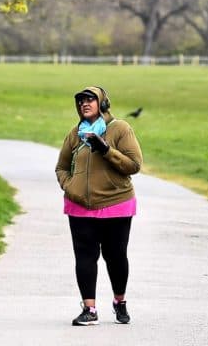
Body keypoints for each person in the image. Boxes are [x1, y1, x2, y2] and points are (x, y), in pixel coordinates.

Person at [55, 86, 143, 326]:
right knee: (85, 256)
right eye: (81, 100)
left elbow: (134, 164)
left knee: (115, 257)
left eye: (90, 99)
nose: (85, 103)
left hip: (116, 203)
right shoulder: (75, 134)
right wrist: (69, 186)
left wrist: (106, 150)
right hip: (80, 206)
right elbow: (61, 166)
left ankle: (120, 301)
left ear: (103, 103)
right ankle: (89, 309)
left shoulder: (120, 129)